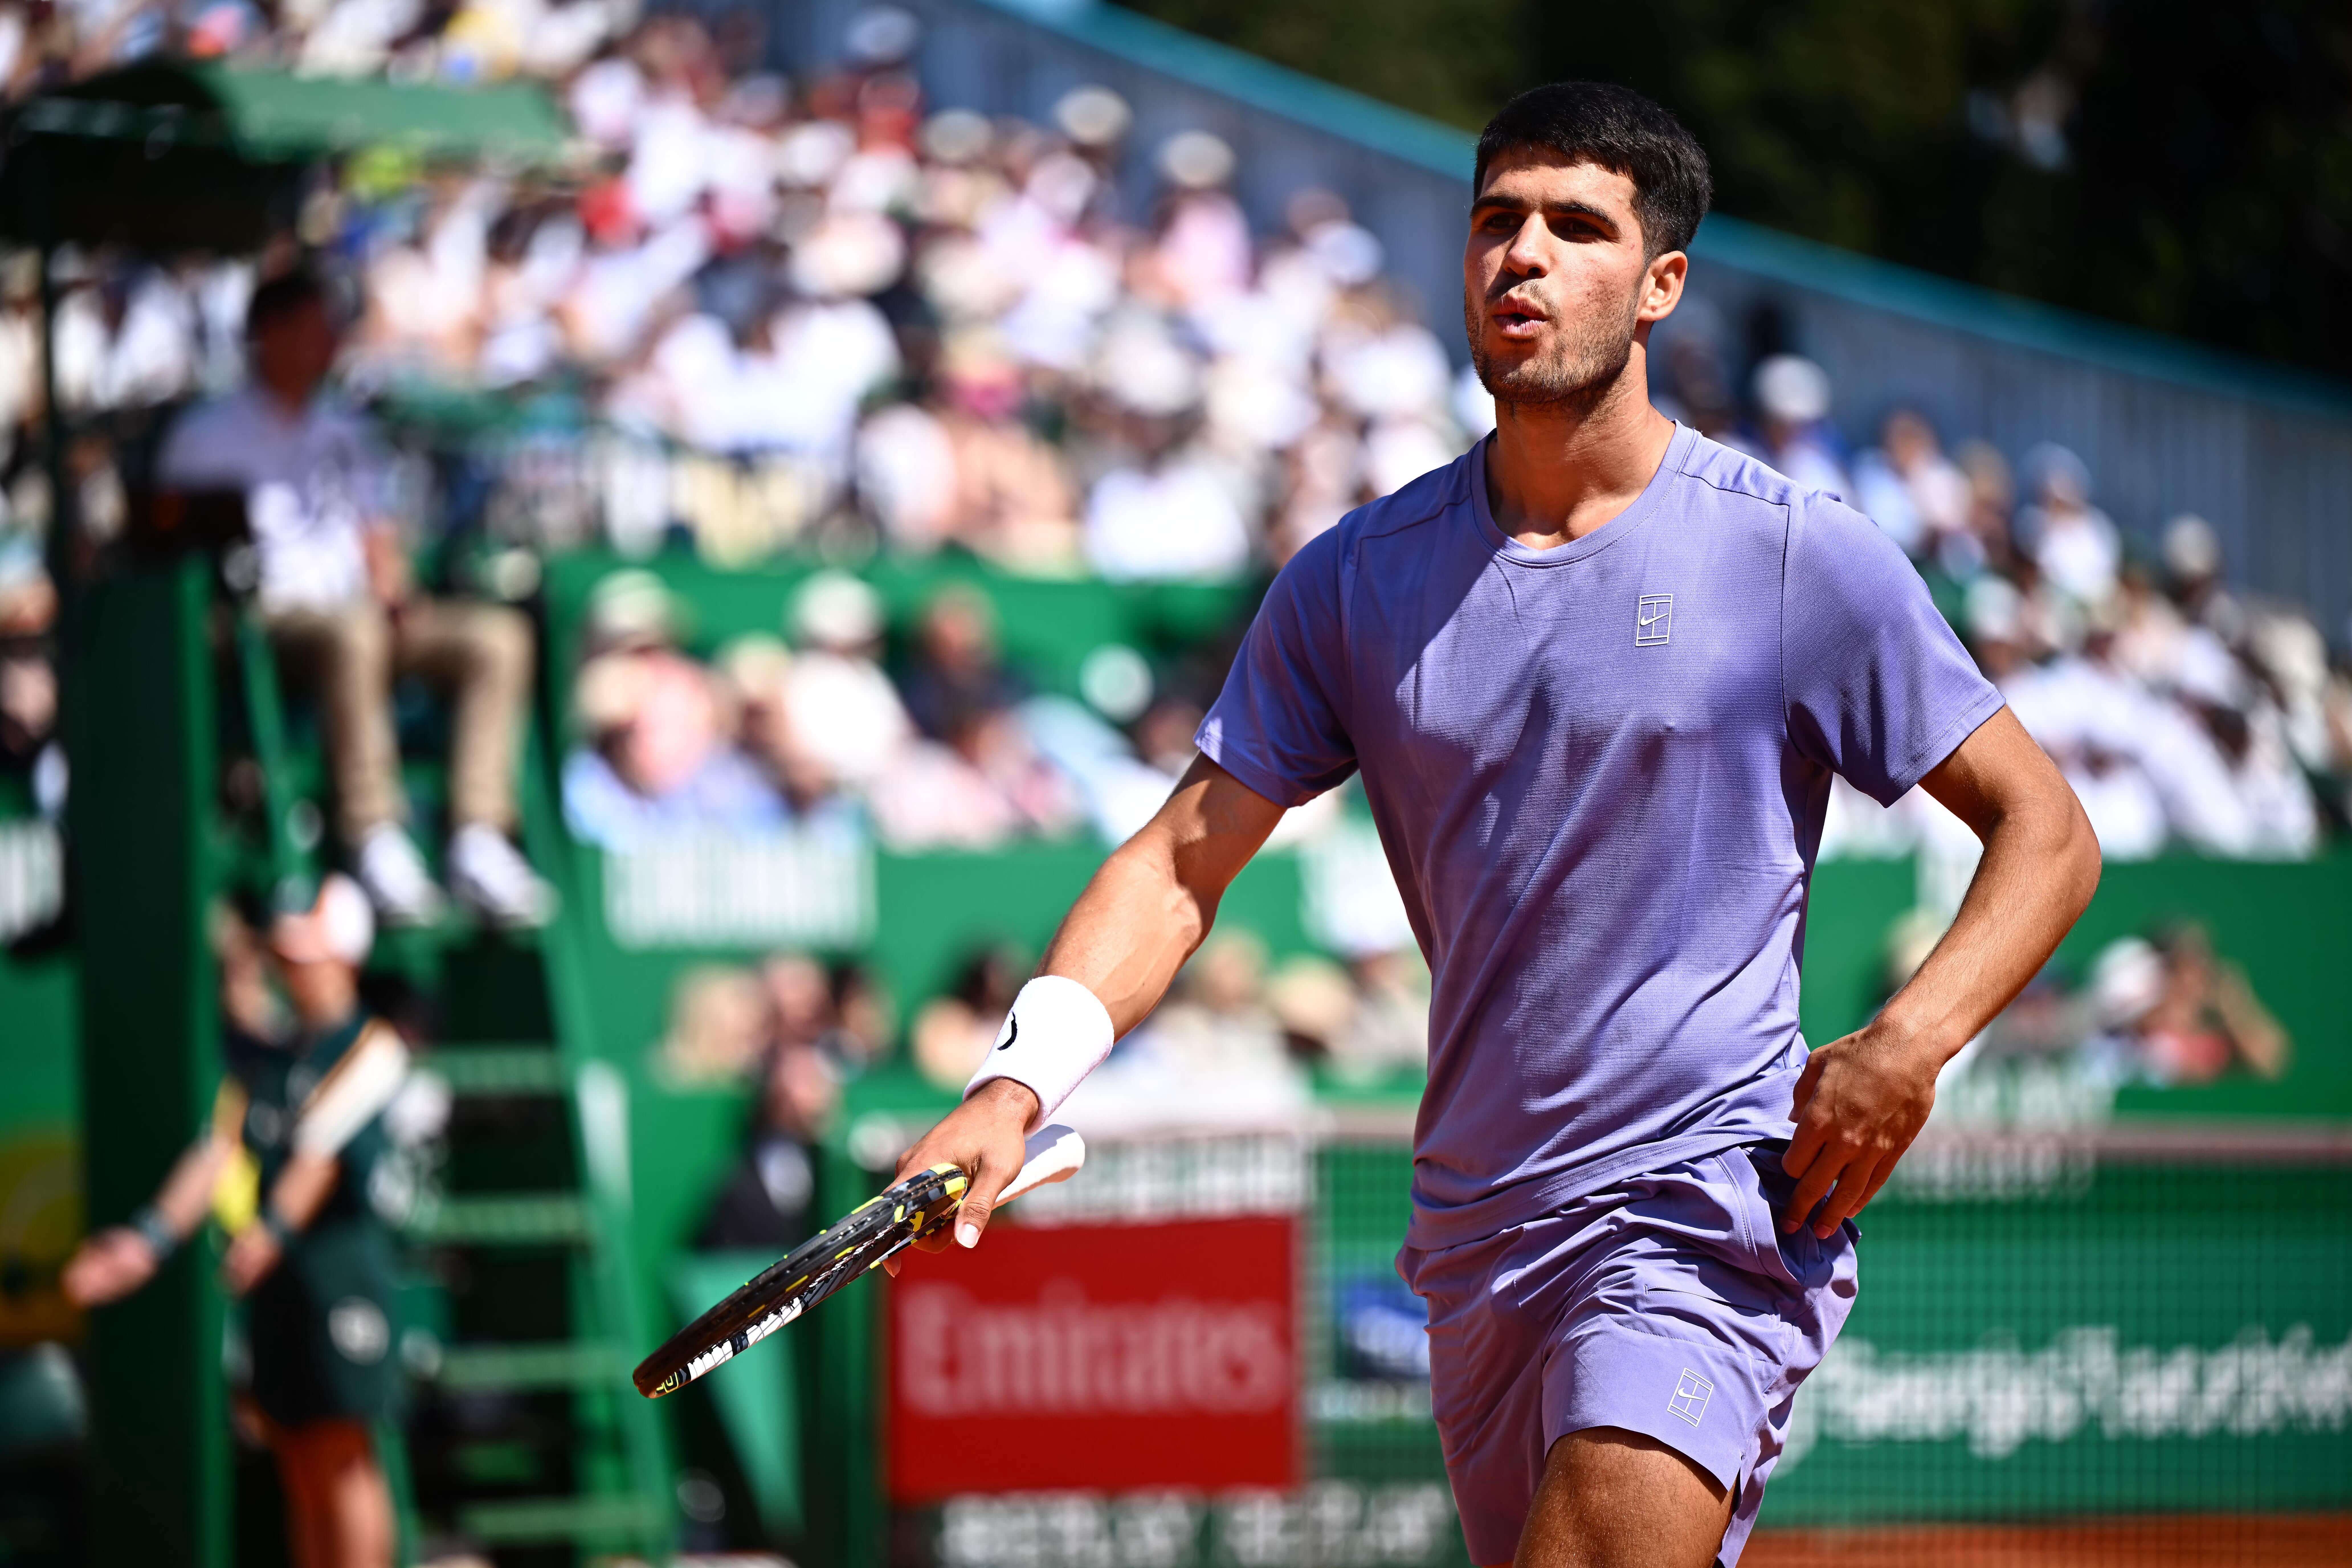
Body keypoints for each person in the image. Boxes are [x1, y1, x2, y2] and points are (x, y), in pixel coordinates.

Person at [886, 83, 2100, 1568]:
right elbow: (1177, 864)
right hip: (1477, 1243)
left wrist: (1910, 1044)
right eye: (1495, 221)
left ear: (1661, 285)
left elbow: (2046, 828)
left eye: (1575, 227)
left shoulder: (1798, 557)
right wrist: (1015, 1087)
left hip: (1700, 1207)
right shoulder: (1352, 579)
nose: (1520, 254)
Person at [156, 266, 554, 928]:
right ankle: (375, 833)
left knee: (496, 639)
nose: (328, 345)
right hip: (262, 623)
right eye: (313, 330)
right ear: (266, 335)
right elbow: (176, 547)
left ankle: (480, 835)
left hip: (360, 616)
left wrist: (394, 584)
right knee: (352, 633)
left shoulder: (346, 430)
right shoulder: (205, 435)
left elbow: (378, 535)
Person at [63, 875, 413, 1568]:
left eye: (302, 956)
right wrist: (149, 1240)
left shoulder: (370, 1047)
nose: (289, 971)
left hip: (343, 1278)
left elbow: (319, 1156)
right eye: (281, 957)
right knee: (297, 1452)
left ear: (343, 956)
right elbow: (218, 1149)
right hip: (281, 1287)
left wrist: (272, 1233)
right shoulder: (270, 1057)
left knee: (342, 1452)